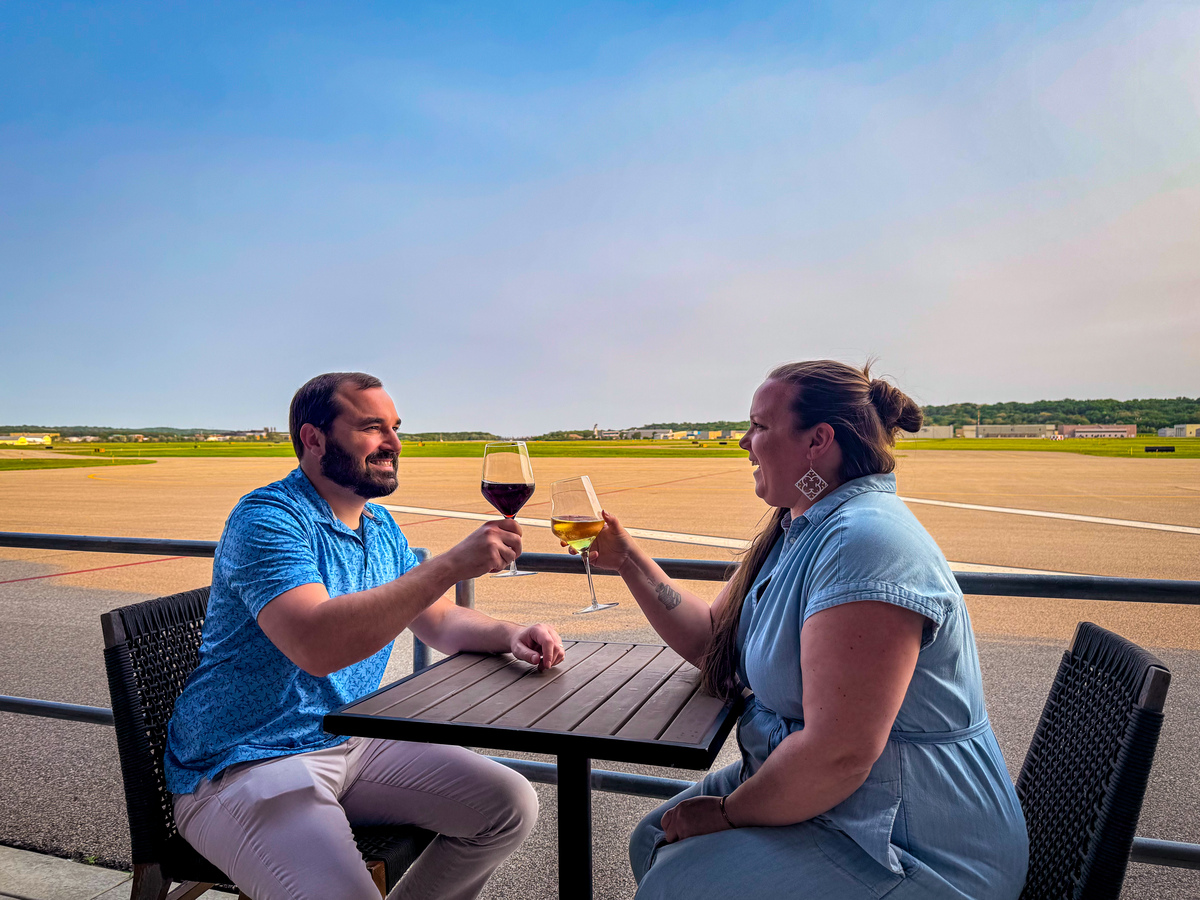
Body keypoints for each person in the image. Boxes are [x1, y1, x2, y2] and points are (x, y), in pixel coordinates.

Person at [576, 360, 1028, 899]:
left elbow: (839, 753)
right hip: (845, 801)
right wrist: (627, 558)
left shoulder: (863, 544)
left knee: (677, 881)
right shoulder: (802, 527)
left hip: (912, 845)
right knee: (653, 839)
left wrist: (725, 812)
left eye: (760, 427)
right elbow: (710, 641)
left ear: (818, 441)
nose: (744, 442)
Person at [165, 372, 565, 900]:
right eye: (372, 427)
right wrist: (447, 566)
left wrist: (511, 634)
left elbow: (439, 620)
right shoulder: (268, 518)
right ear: (313, 439)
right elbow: (317, 647)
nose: (394, 444)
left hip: (351, 739)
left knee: (509, 805)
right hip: (246, 759)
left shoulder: (377, 525)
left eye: (396, 428)